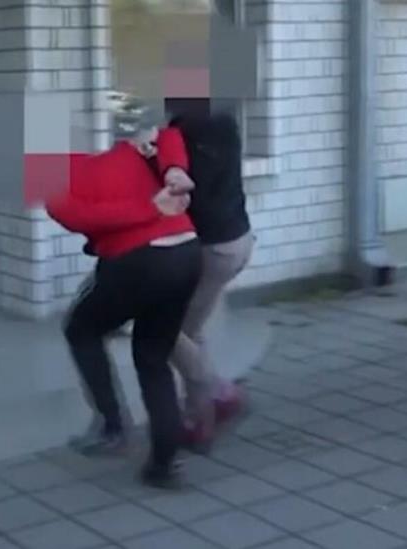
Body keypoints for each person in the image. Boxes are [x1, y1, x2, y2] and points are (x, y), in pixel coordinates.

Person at [45, 127, 200, 489]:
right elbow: (170, 134)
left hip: (137, 261)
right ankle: (165, 465)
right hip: (187, 252)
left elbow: (80, 217)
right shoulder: (130, 148)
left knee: (80, 329)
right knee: (153, 358)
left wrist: (155, 199)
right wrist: (174, 170)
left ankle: (112, 427)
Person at [157, 111, 255, 452]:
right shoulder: (224, 119)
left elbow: (186, 191)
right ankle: (211, 398)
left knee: (169, 332)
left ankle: (206, 410)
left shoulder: (188, 131)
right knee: (190, 328)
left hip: (213, 249)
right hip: (237, 240)